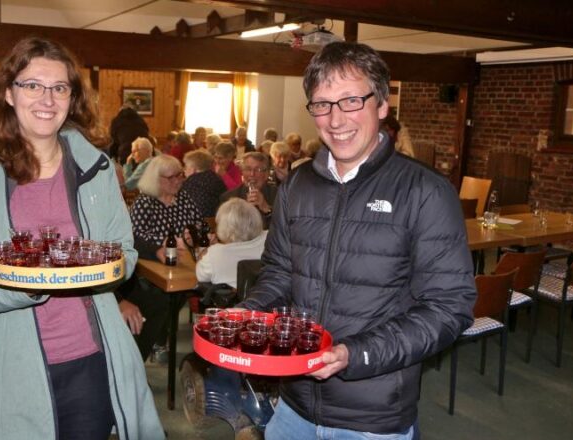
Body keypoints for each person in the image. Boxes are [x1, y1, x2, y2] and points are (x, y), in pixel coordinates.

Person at [238, 41, 475, 439]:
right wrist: (247, 314)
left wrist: (355, 354)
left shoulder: (425, 191)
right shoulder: (297, 184)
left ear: (381, 104)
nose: (335, 119)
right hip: (293, 406)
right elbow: (280, 272)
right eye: (322, 104)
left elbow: (449, 307)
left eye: (351, 100)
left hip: (372, 419)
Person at [0, 37, 164, 440]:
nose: (47, 98)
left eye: (59, 87)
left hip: (92, 358)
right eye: (32, 85)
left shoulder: (97, 167)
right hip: (12, 363)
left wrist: (100, 273)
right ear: (9, 93)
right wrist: (38, 282)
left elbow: (124, 253)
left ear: (71, 97)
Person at [122, 155, 202, 360]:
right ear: (156, 179)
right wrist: (164, 242)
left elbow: (202, 229)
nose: (178, 181)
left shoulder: (185, 199)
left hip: (185, 265)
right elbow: (135, 236)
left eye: (180, 175)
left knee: (185, 290)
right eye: (171, 177)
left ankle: (161, 338)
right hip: (150, 267)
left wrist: (193, 237)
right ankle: (159, 339)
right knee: (162, 297)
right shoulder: (145, 203)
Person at [196, 198, 267, 288]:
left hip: (234, 301)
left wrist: (205, 251)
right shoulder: (269, 239)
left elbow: (200, 276)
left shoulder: (214, 254)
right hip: (271, 298)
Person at [221, 152, 278, 228]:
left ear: (266, 174)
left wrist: (266, 208)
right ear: (242, 172)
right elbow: (227, 231)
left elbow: (284, 228)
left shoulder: (279, 195)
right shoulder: (229, 197)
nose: (252, 174)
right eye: (248, 169)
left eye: (258, 169)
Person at [182, 149, 227, 217]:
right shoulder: (217, 178)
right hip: (217, 221)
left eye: (185, 166)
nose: (184, 169)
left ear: (193, 169)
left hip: (196, 224)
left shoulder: (189, 182)